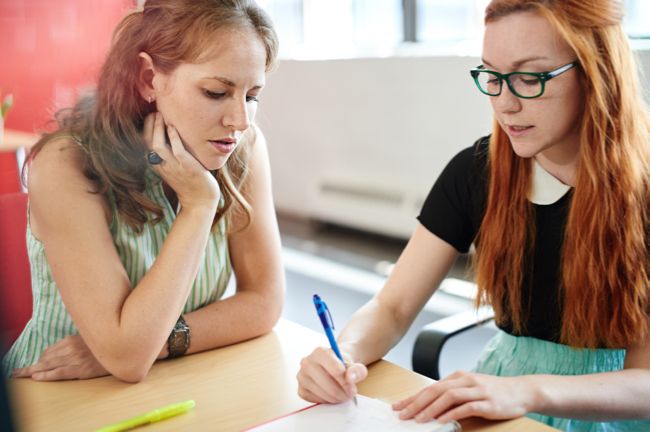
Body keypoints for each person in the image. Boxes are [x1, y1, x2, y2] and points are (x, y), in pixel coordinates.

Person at [297, 1, 649, 431]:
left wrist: (528, 390)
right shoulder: (477, 170)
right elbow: (392, 307)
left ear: (597, 71)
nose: (505, 103)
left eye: (527, 77)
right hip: (503, 397)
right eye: (493, 76)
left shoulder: (641, 189)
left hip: (607, 407)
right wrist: (343, 354)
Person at [2, 0, 285, 383]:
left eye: (252, 96)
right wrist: (198, 205)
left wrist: (162, 341)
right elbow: (128, 359)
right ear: (148, 78)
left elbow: (264, 303)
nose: (239, 120)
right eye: (216, 92)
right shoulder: (65, 164)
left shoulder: (242, 146)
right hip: (55, 395)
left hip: (174, 382)